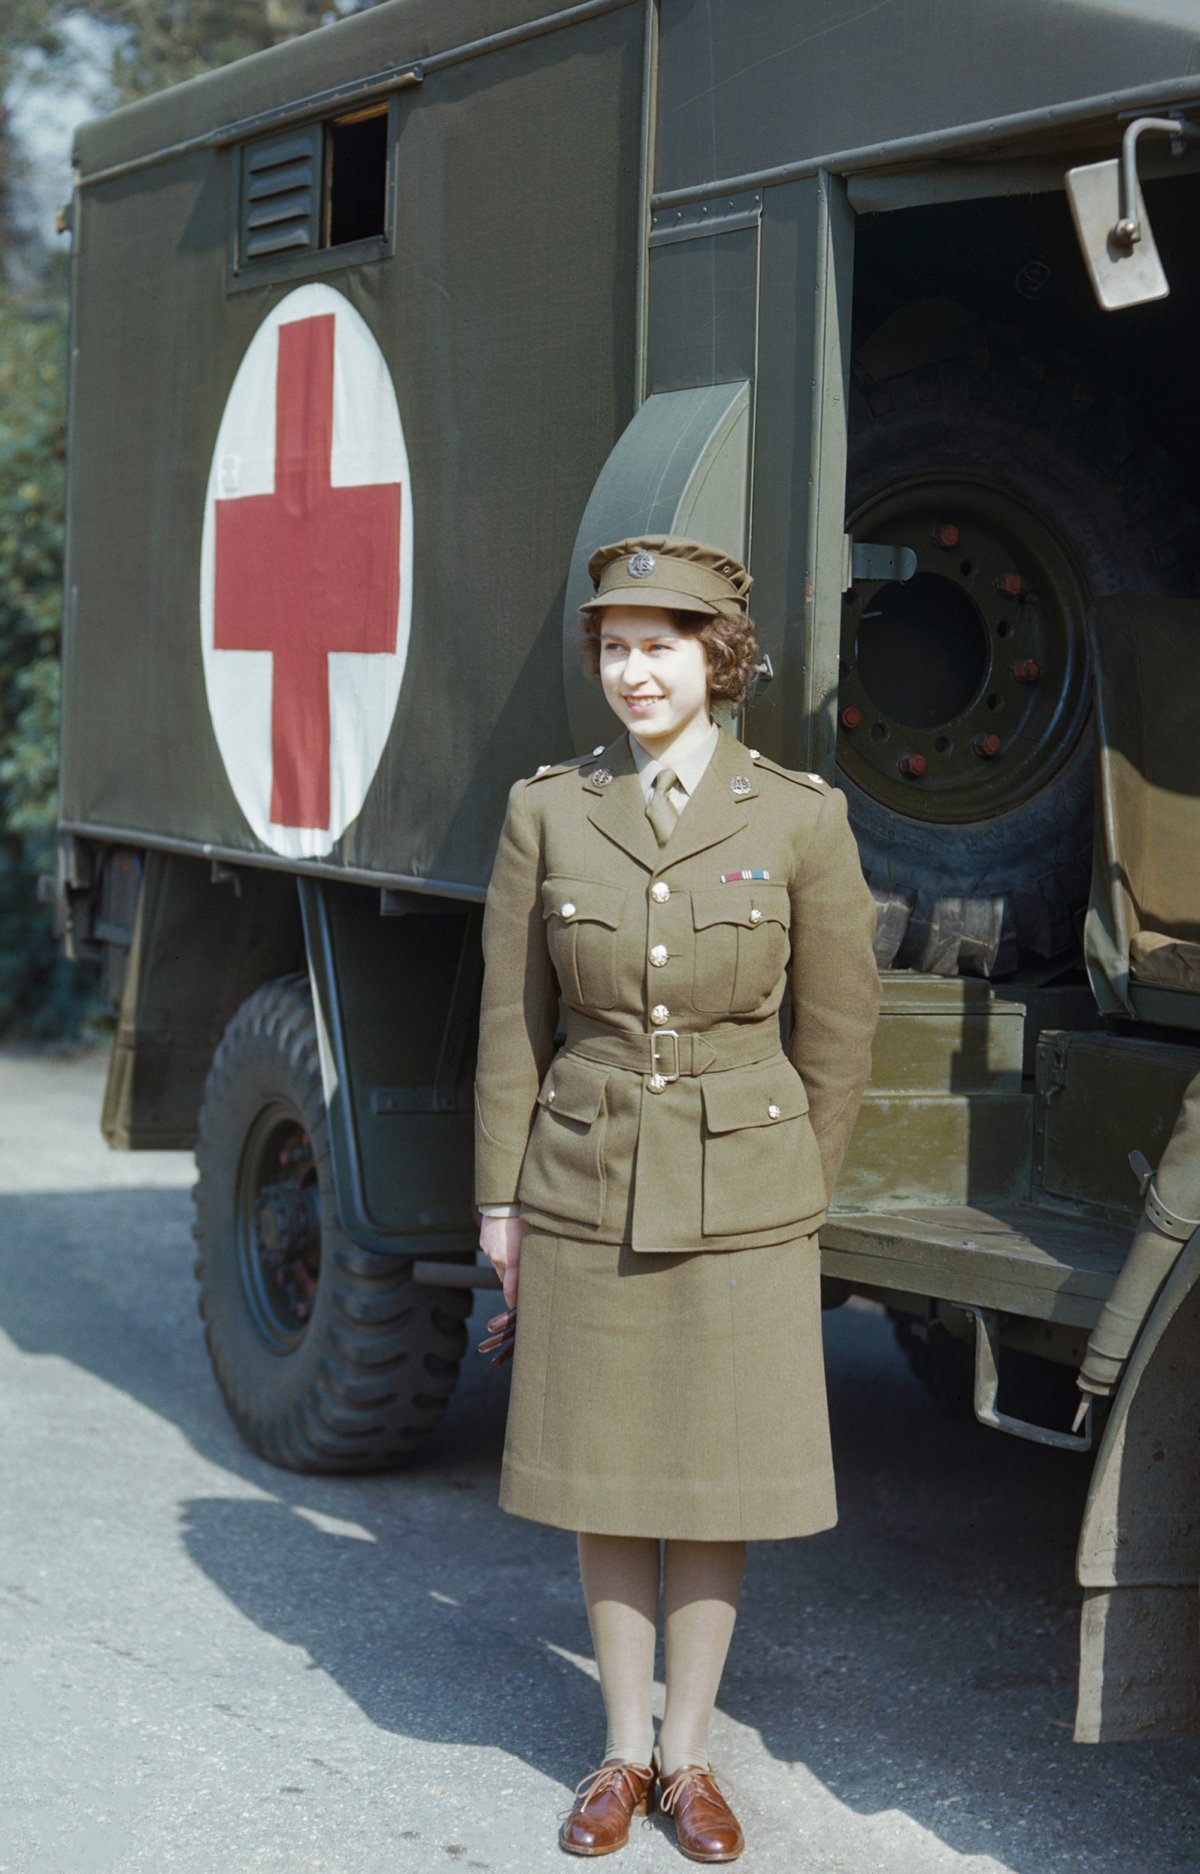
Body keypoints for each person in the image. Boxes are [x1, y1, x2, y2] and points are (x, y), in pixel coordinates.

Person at [475, 535, 880, 1862]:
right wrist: (501, 1206)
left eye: (660, 644)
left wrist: (791, 1191)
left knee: (714, 1480)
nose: (632, 670)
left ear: (719, 657)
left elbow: (838, 1034)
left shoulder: (800, 817)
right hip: (586, 1176)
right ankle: (619, 1749)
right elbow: (509, 1027)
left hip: (744, 1187)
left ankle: (691, 1756)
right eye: (613, 646)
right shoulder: (549, 809)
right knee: (609, 1469)